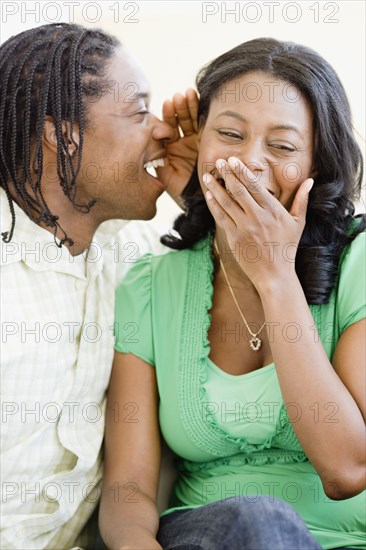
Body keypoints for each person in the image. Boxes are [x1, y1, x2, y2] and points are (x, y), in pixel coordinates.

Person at [101, 38, 366, 549]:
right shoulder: (152, 285)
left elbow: (347, 468)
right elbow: (127, 486)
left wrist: (274, 277)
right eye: (228, 134)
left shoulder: (359, 263)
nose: (247, 162)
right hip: (211, 536)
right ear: (200, 145)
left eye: (283, 147)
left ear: (317, 165)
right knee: (258, 521)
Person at [0, 22, 199, 549]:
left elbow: (271, 269)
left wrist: (208, 191)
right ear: (62, 134)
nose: (162, 130)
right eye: (138, 111)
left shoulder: (138, 252)